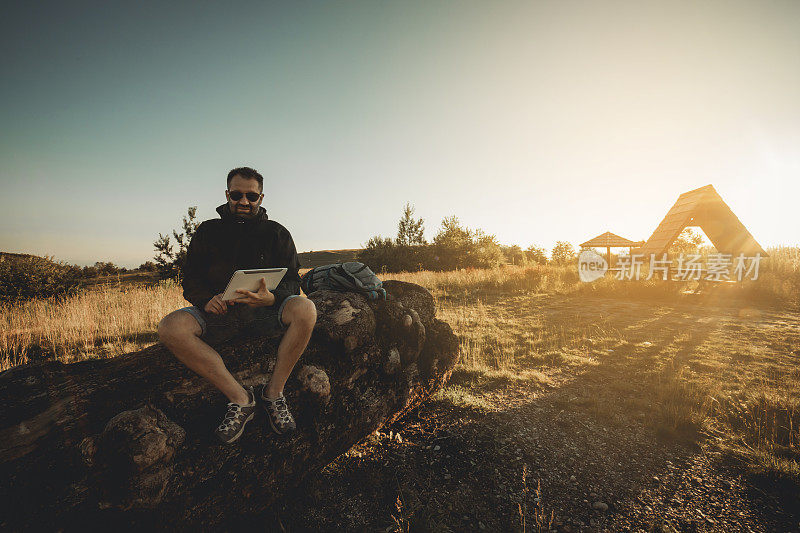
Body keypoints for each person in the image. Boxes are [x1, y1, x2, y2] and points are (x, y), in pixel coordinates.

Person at [157, 166, 317, 444]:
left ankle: (274, 394)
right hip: (220, 315)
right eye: (237, 194)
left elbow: (293, 281)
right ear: (227, 194)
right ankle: (241, 399)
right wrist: (206, 300)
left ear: (261, 198)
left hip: (267, 313)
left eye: (252, 196)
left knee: (306, 309)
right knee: (170, 328)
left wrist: (273, 298)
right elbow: (191, 279)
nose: (244, 201)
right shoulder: (208, 231)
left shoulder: (278, 233)